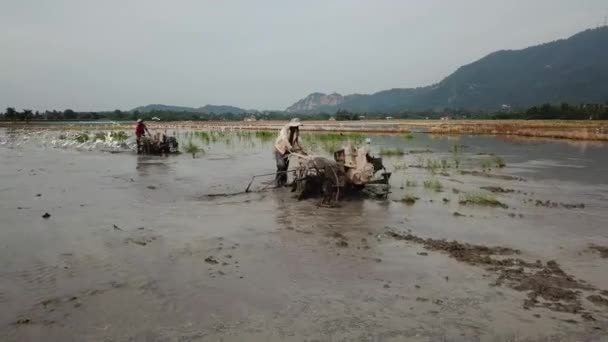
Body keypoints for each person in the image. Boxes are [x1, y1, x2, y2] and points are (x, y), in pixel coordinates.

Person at [273, 118, 304, 186]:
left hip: (287, 151)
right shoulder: (284, 129)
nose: (297, 127)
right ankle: (277, 182)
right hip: (279, 149)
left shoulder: (296, 131)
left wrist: (304, 150)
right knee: (281, 166)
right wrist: (290, 147)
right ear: (291, 125)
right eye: (295, 126)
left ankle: (284, 182)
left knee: (285, 168)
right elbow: (285, 139)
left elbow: (299, 141)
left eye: (297, 126)